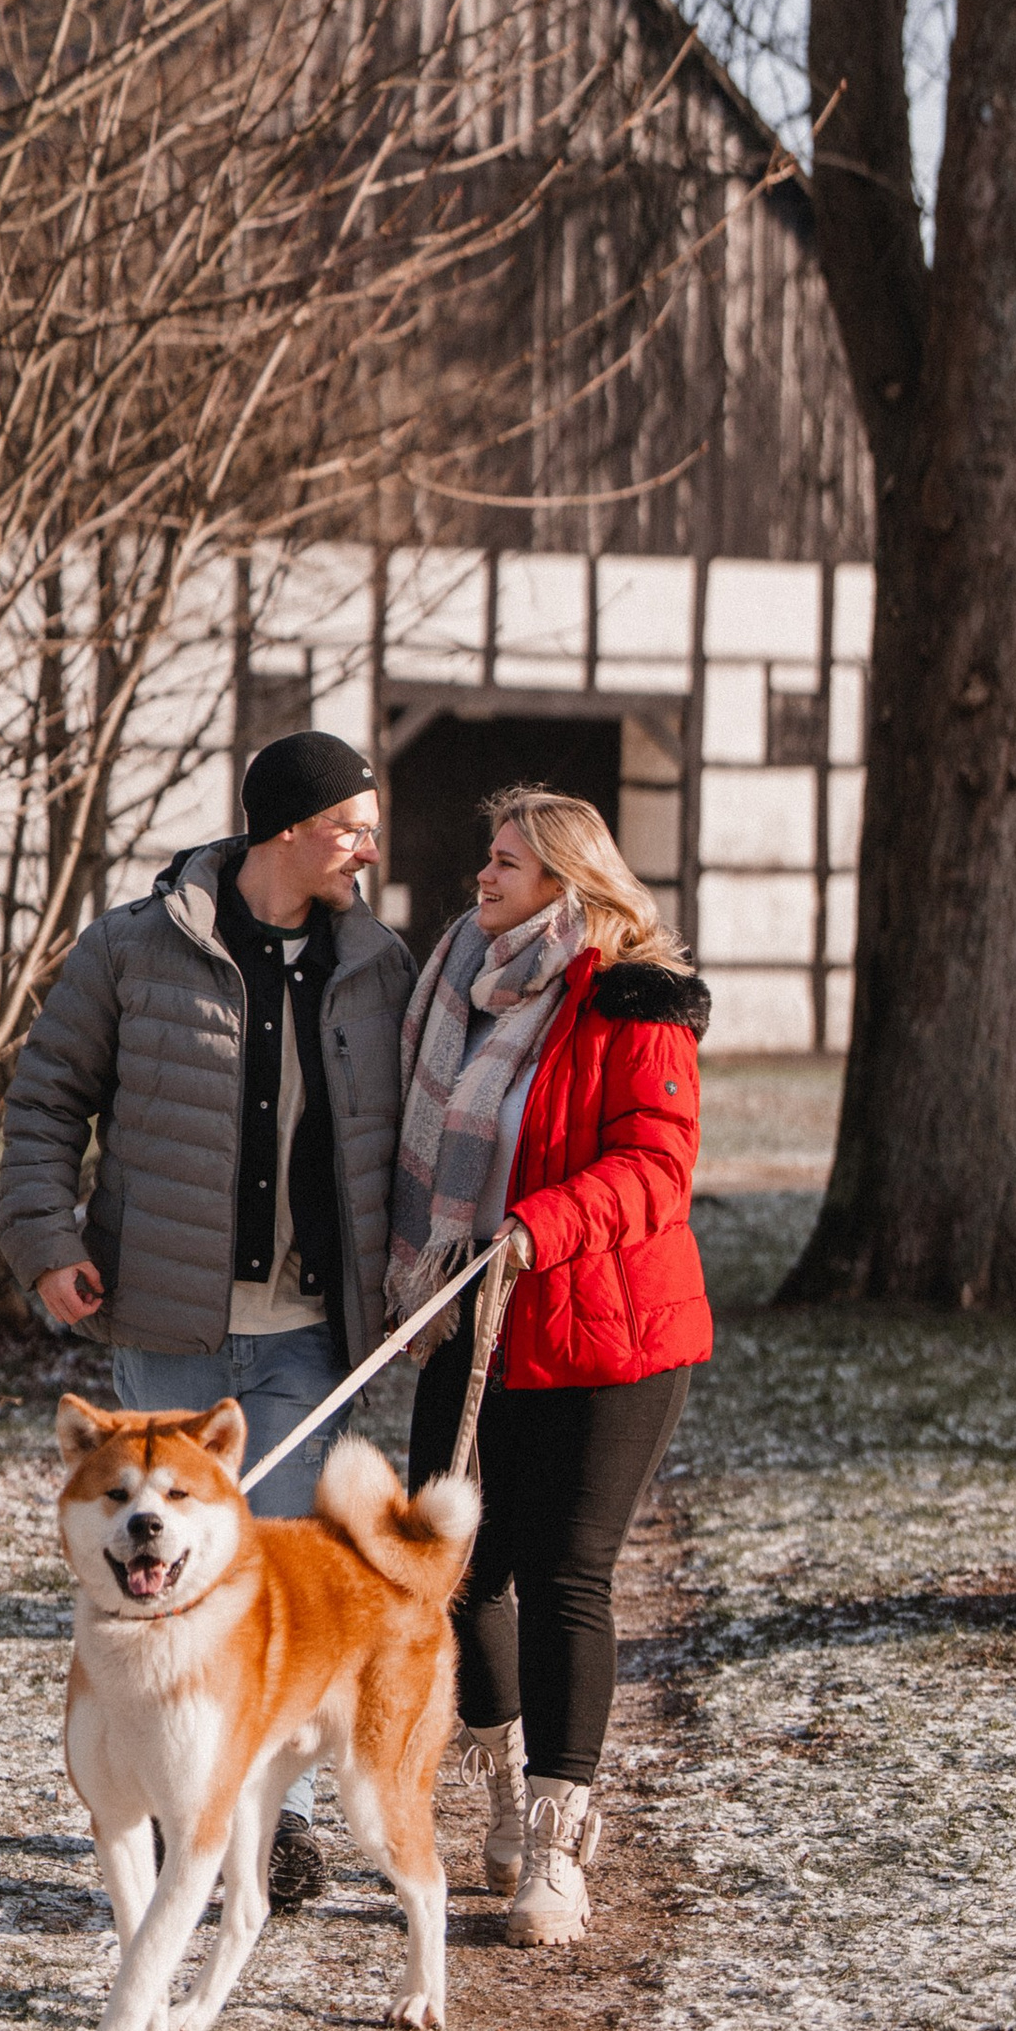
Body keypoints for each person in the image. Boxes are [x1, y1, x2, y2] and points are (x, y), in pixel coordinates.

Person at [0, 730, 413, 1907]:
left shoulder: (377, 964)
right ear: (285, 829)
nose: (367, 849)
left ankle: (267, 1825)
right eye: (348, 827)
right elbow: (45, 1100)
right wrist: (48, 1243)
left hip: (308, 1332)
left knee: (265, 1581)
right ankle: (171, 1793)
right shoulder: (134, 949)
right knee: (166, 1579)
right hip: (166, 1321)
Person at [392, 784, 712, 1948]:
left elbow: (656, 1168)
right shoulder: (461, 992)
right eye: (487, 858)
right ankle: (499, 1778)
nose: (481, 878)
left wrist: (542, 1224)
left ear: (567, 887)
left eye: (507, 864)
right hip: (473, 1311)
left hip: (608, 1326)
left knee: (568, 1573)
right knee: (458, 1569)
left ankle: (557, 1839)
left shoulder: (635, 1001)